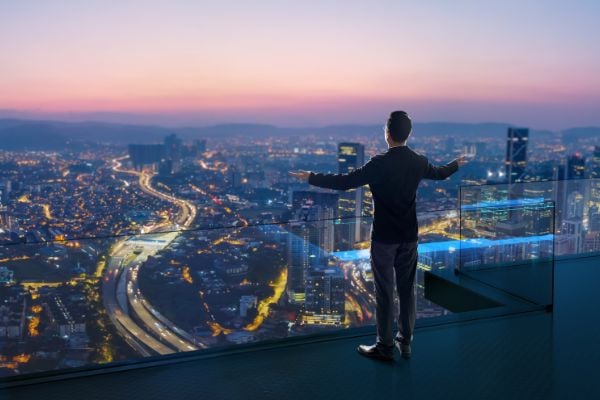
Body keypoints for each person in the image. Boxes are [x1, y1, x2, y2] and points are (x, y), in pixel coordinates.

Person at [290, 111, 467, 361]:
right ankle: (405, 343)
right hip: (409, 236)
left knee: (385, 292)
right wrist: (456, 164)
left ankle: (384, 346)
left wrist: (310, 177)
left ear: (387, 134)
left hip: (384, 238)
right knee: (406, 291)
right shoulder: (418, 161)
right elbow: (440, 173)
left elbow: (345, 182)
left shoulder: (379, 163)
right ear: (409, 134)